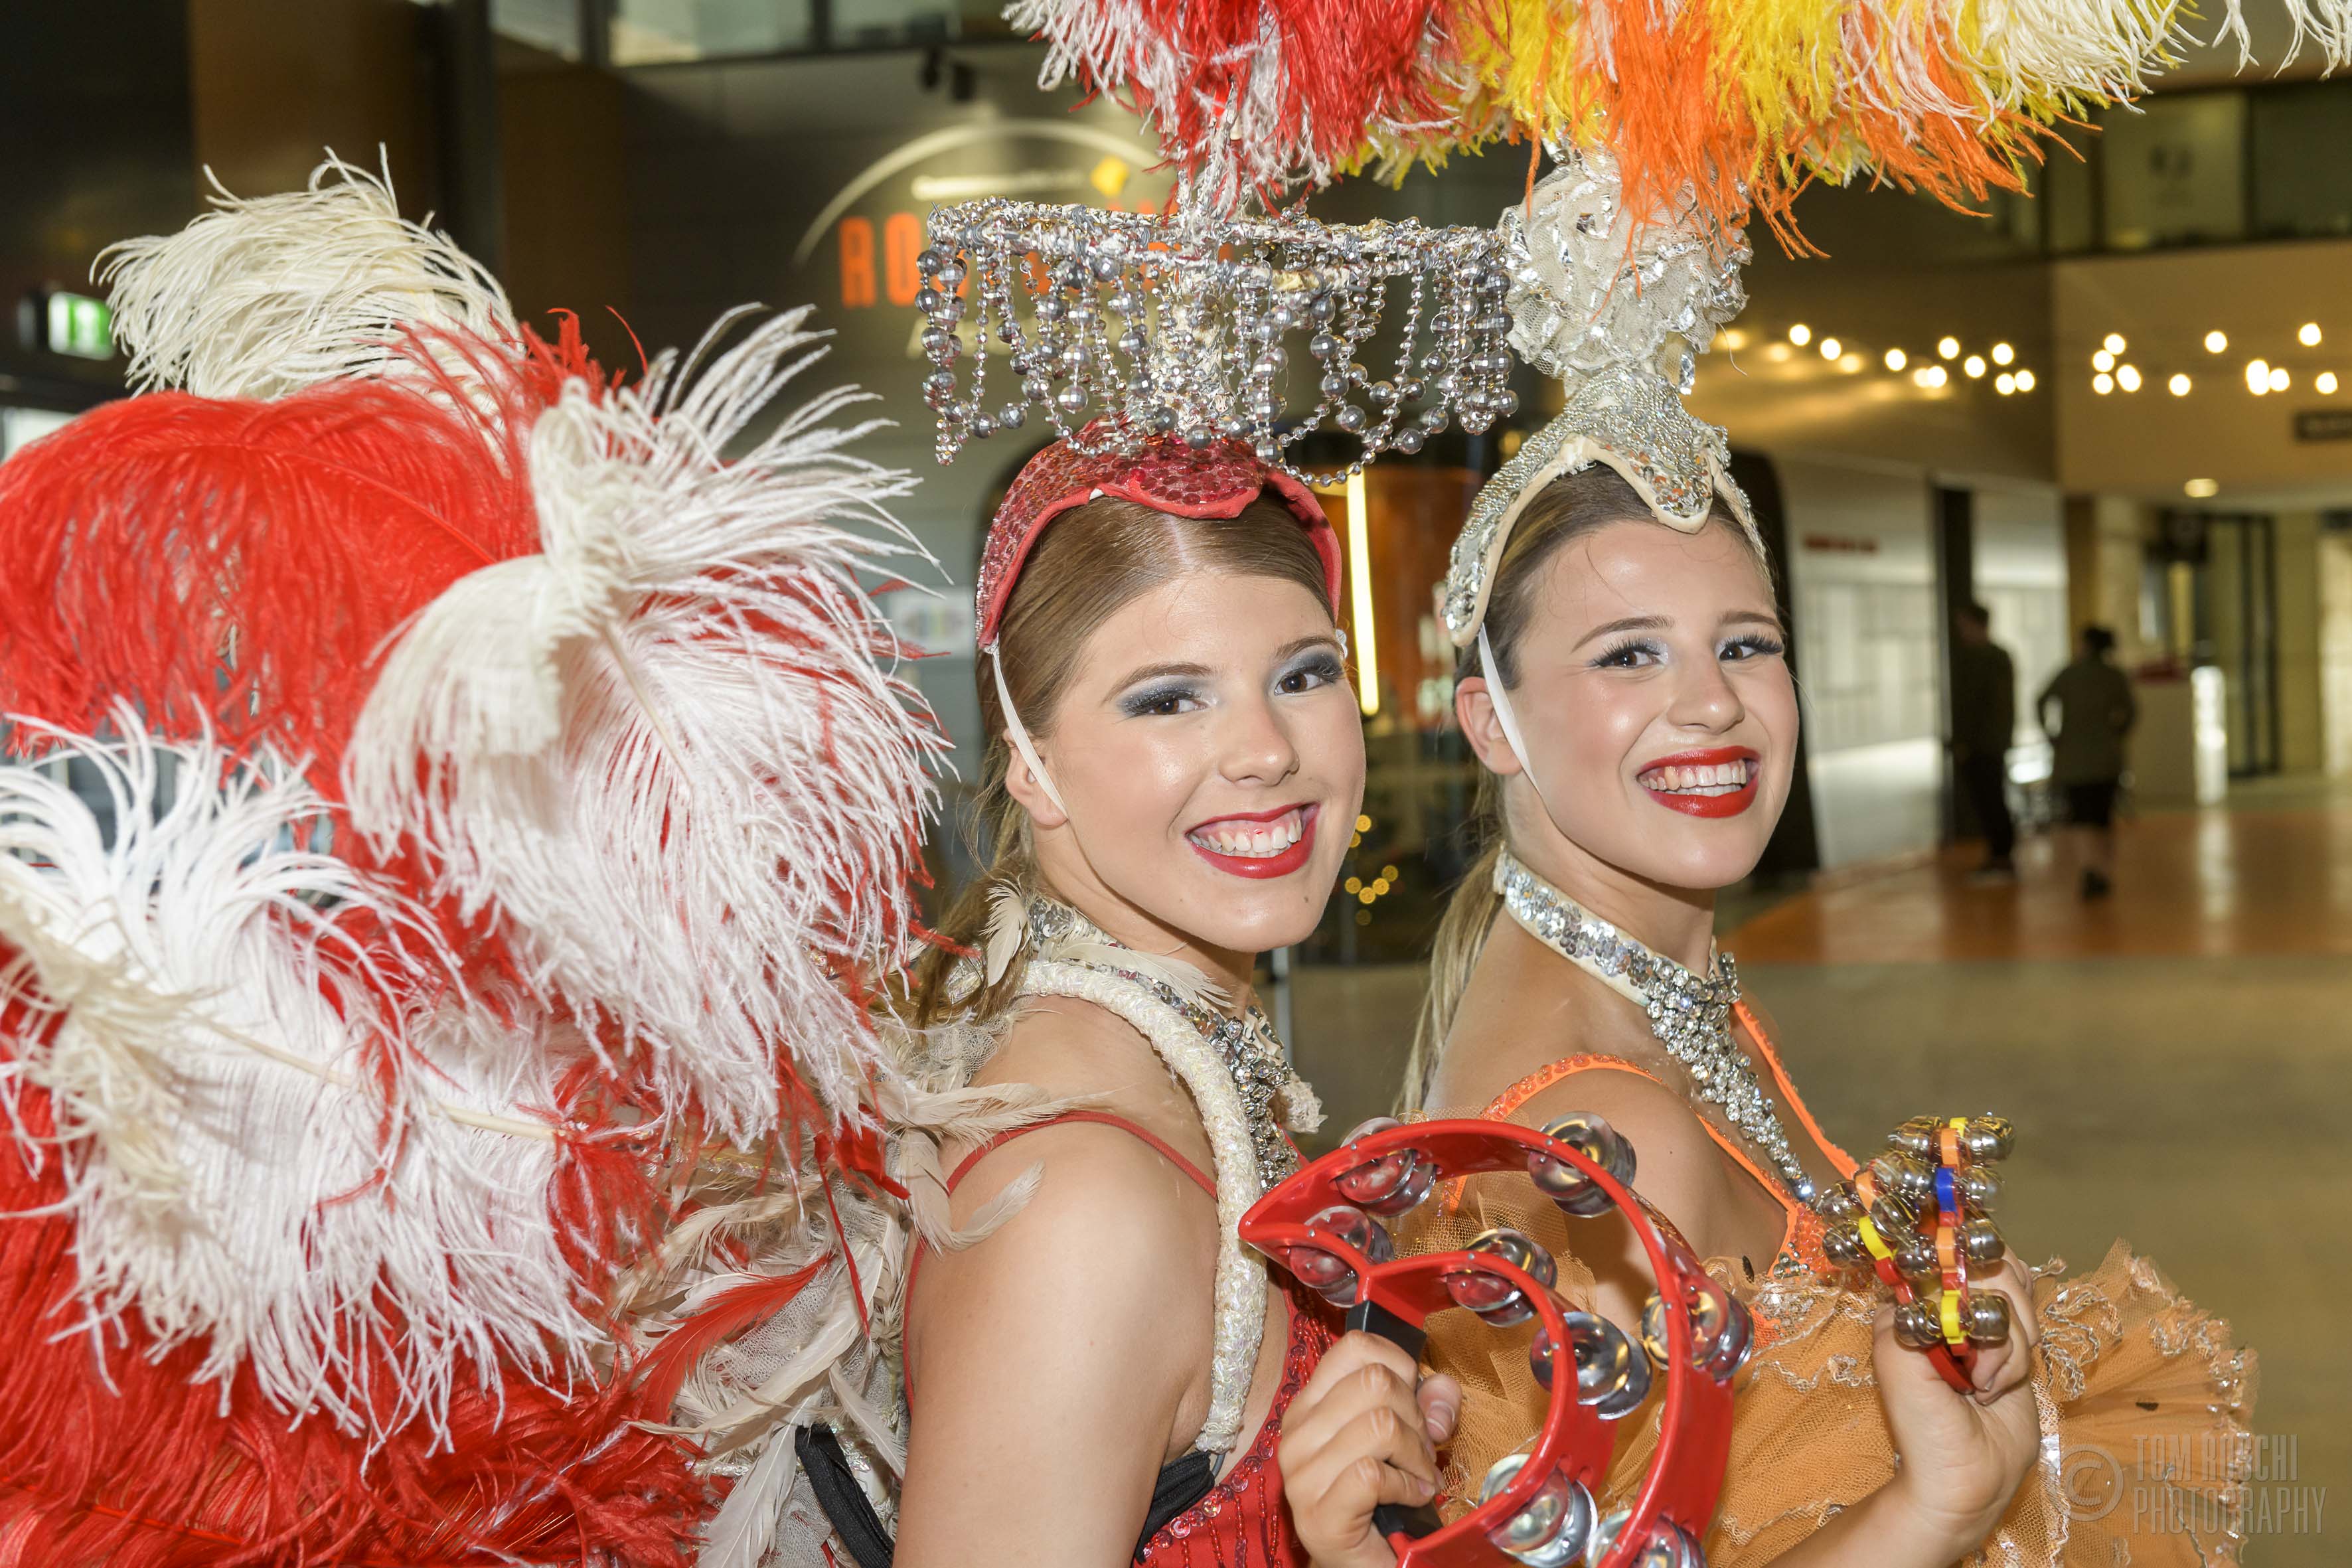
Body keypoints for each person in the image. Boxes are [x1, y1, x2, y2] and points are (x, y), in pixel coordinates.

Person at [1391, 151, 2253, 1568]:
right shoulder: (1600, 1138)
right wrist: (1931, 1506)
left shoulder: (1660, 1002)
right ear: (1489, 719)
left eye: (1744, 643)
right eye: (1627, 656)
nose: (1711, 705)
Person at [874, 435, 1458, 1568]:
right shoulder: (1080, 1206)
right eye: (1167, 699)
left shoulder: (1167, 1064)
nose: (1265, 750)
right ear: (1030, 759)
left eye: (1303, 675)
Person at [2039, 627, 2137, 900]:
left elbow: (2041, 700)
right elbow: (2131, 711)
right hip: (2106, 759)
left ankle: (2089, 867)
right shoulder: (2113, 676)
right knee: (2103, 817)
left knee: (2081, 817)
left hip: (2073, 760)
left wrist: (2052, 735)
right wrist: (2116, 734)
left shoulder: (2070, 674)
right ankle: (2103, 870)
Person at [1950, 603, 2019, 882]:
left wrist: (1966, 742)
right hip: (1987, 743)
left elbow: (1979, 705)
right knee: (1989, 801)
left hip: (1984, 745)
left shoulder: (1987, 658)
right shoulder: (1990, 657)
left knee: (1991, 801)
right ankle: (1999, 855)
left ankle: (2001, 857)